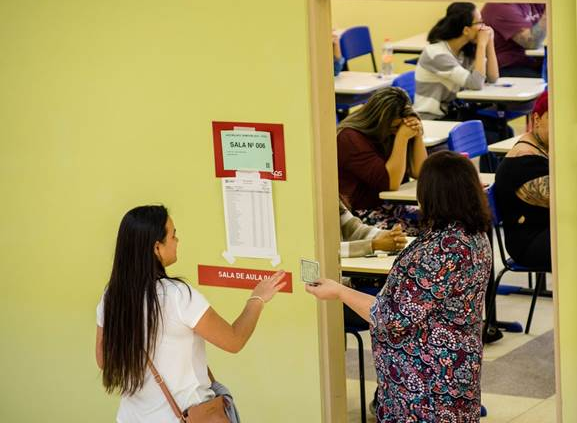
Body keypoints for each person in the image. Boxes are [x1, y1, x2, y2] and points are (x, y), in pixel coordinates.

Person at [308, 151, 492, 422]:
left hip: (425, 379)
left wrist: (339, 291)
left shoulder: (442, 249)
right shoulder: (473, 236)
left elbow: (392, 317)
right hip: (456, 366)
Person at [95, 205, 286, 422]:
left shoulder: (111, 296)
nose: (177, 241)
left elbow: (103, 360)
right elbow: (234, 340)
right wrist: (257, 299)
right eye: (173, 235)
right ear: (157, 247)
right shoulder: (177, 296)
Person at [414, 2, 504, 172]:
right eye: (479, 22)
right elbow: (476, 83)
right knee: (489, 136)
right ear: (466, 30)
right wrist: (482, 45)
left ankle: (494, 180)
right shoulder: (436, 53)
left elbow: (493, 77)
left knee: (501, 131)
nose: (483, 28)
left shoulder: (463, 51)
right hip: (433, 119)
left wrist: (489, 43)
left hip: (454, 115)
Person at [337, 86, 427, 235]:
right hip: (362, 214)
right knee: (421, 234)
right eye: (394, 127)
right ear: (379, 120)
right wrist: (402, 137)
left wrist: (417, 135)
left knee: (438, 223)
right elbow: (391, 183)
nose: (396, 130)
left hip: (392, 206)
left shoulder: (390, 131)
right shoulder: (350, 138)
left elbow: (420, 172)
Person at [494, 91, 550, 270]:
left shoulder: (545, 147)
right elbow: (565, 200)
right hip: (530, 243)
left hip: (547, 230)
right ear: (537, 119)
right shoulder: (524, 161)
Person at [481, 3, 546, 78]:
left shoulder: (533, 2)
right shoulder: (501, 6)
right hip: (507, 66)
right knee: (550, 78)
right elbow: (531, 43)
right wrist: (547, 15)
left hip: (529, 60)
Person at [339, 199, 407, 258]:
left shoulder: (335, 198)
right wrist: (374, 245)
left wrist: (384, 235)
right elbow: (333, 251)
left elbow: (353, 228)